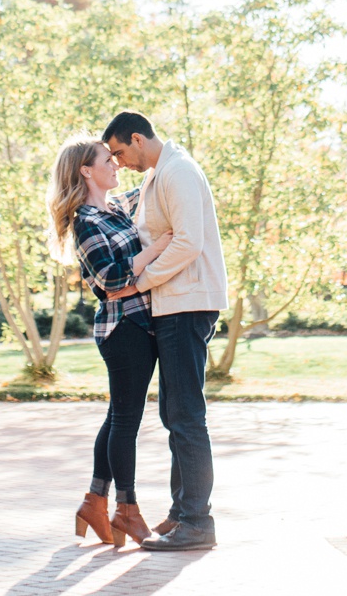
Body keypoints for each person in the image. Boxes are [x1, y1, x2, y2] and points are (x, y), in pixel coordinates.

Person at [102, 109, 227, 552]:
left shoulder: (178, 172)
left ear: (137, 138)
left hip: (187, 304)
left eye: (119, 152)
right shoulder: (159, 174)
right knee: (173, 414)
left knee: (187, 416)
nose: (118, 162)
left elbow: (188, 242)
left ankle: (198, 521)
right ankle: (182, 513)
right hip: (172, 305)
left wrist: (140, 282)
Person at [48, 136, 166, 549]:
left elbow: (154, 180)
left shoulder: (116, 208)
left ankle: (93, 503)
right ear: (86, 170)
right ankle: (126, 509)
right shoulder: (86, 221)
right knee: (126, 421)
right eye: (107, 159)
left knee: (119, 415)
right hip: (123, 331)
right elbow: (113, 279)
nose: (116, 164)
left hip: (139, 322)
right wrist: (159, 250)